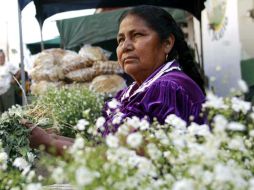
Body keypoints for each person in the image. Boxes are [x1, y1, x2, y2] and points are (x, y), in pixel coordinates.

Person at [22, 5, 206, 155]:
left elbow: (128, 161)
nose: (125, 46)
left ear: (167, 43)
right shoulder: (129, 93)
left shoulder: (168, 88)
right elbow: (104, 146)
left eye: (137, 35)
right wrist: (55, 139)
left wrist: (48, 144)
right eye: (120, 40)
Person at [0, 49, 19, 114]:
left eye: (2, 57)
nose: (1, 59)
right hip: (0, 91)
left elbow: (18, 72)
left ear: (4, 57)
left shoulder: (9, 65)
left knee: (9, 110)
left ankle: (11, 123)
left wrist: (14, 80)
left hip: (7, 90)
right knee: (1, 111)